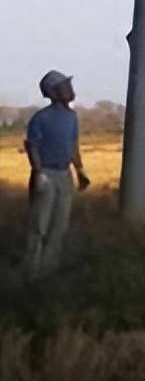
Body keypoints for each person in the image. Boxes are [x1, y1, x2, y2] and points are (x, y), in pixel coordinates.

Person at [24, 69, 90, 276]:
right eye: (64, 86)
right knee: (40, 225)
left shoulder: (72, 117)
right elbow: (32, 146)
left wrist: (80, 170)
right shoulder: (41, 118)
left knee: (60, 225)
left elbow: (73, 146)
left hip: (64, 175)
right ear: (52, 92)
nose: (70, 89)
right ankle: (32, 271)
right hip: (46, 174)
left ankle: (49, 269)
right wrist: (38, 173)